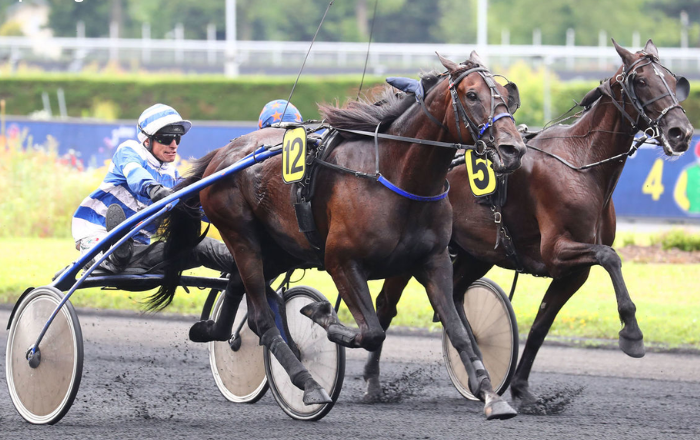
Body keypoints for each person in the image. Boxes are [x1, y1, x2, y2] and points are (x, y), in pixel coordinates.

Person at [71, 103, 234, 274]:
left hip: (138, 250)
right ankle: (111, 254)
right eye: (166, 138)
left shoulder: (171, 176)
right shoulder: (129, 151)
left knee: (202, 246)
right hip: (96, 234)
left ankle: (250, 264)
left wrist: (225, 215)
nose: (173, 144)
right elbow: (136, 175)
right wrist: (155, 190)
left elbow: (197, 208)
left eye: (177, 138)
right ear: (146, 140)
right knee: (111, 249)